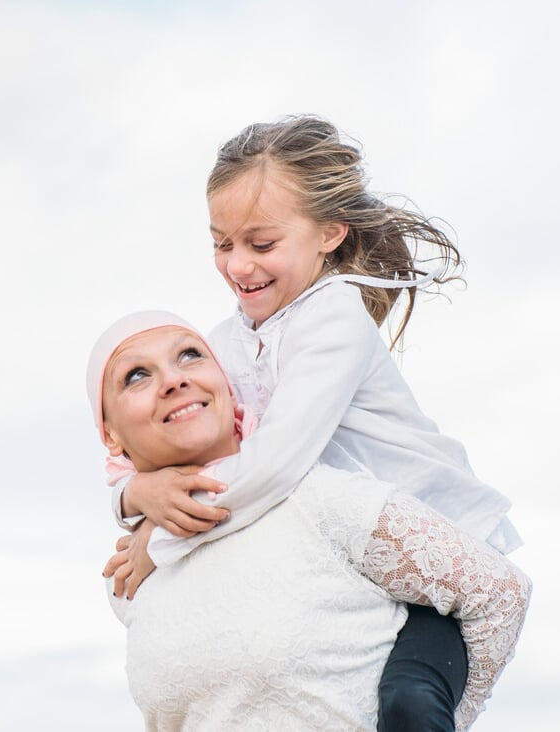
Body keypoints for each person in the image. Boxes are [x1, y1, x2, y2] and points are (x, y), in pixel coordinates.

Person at [106, 116, 522, 731]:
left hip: (430, 560)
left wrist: (167, 535)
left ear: (329, 233)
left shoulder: (333, 320)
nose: (238, 266)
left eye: (261, 244)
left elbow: (273, 464)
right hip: (343, 563)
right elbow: (192, 442)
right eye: (222, 244)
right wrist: (134, 495)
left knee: (408, 704)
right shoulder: (225, 339)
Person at [88, 312, 531, 731]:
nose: (174, 379)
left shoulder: (318, 497)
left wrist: (437, 721)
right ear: (108, 432)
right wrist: (134, 501)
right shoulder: (132, 577)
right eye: (137, 376)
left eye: (190, 355)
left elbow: (499, 592)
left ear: (225, 384)